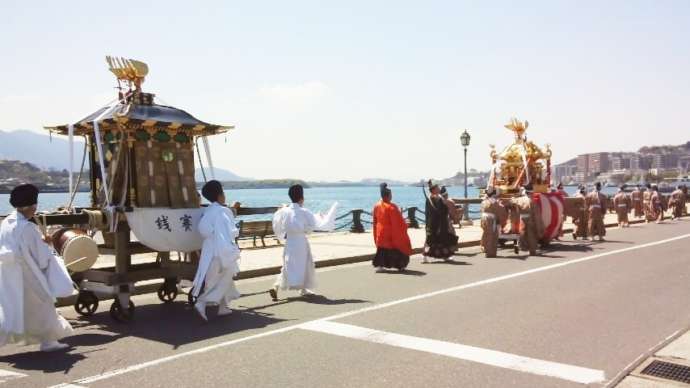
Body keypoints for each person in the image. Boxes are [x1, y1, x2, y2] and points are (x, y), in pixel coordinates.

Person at [0, 184, 73, 351]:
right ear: (31, 206)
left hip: (8, 273)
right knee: (43, 304)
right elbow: (41, 259)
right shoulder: (29, 228)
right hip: (28, 273)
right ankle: (49, 341)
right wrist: (48, 245)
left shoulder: (6, 223)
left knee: (10, 306)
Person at [269, 184, 338, 300]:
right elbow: (314, 225)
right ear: (301, 197)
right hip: (301, 241)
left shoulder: (283, 211)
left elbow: (277, 225)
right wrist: (310, 225)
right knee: (305, 264)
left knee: (287, 266)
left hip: (289, 241)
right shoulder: (304, 211)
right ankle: (303, 289)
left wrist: (283, 235)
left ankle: (276, 286)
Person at [192, 180, 241, 322]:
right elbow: (231, 232)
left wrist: (213, 235)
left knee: (220, 279)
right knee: (225, 278)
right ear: (220, 196)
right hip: (222, 251)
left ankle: (223, 307)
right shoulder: (223, 211)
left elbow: (204, 230)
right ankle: (202, 302)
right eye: (223, 193)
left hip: (209, 251)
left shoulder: (208, 211)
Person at [372, 183, 412, 272]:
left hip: (380, 232)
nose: (391, 196)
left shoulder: (376, 206)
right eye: (391, 195)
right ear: (388, 196)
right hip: (390, 234)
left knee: (382, 250)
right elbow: (398, 223)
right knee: (397, 250)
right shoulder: (392, 207)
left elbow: (375, 220)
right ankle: (400, 265)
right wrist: (406, 224)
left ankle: (380, 266)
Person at [422, 180, 459, 263]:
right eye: (437, 187)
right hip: (435, 222)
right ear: (434, 189)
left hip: (438, 222)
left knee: (441, 240)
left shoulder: (437, 197)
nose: (439, 188)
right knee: (430, 240)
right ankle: (424, 255)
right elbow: (436, 211)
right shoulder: (433, 199)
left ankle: (445, 256)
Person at [510, 185, 544, 255]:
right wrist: (540, 226)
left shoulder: (520, 199)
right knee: (531, 235)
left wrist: (513, 198)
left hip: (522, 218)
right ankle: (532, 250)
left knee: (522, 233)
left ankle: (522, 247)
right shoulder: (533, 201)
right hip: (531, 219)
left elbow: (512, 201)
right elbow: (537, 215)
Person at [480, 187, 508, 258]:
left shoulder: (484, 201)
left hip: (483, 219)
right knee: (492, 235)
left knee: (485, 234)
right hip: (490, 219)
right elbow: (500, 211)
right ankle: (490, 252)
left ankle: (485, 248)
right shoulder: (494, 201)